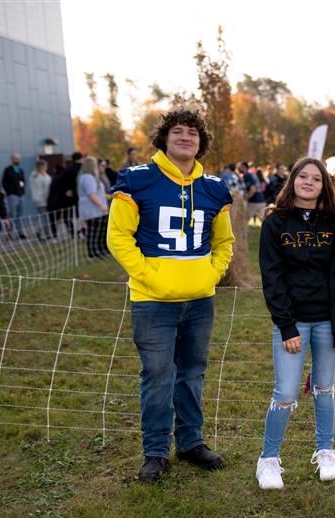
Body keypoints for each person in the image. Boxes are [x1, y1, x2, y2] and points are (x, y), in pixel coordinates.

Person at [107, 107, 234, 483]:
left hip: (199, 299)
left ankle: (191, 442)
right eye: (177, 131)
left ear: (201, 142)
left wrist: (210, 274)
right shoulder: (137, 180)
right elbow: (118, 237)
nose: (185, 137)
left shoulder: (214, 188)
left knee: (192, 374)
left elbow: (224, 241)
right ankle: (156, 451)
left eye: (193, 133)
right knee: (158, 375)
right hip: (152, 301)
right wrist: (150, 276)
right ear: (164, 138)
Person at [255, 157, 335, 490]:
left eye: (316, 178)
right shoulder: (275, 222)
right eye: (303, 176)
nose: (309, 182)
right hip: (294, 321)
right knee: (285, 392)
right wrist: (286, 326)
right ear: (293, 180)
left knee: (324, 389)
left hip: (327, 320)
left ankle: (326, 451)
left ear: (325, 184)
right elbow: (272, 277)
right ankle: (268, 460)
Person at [77, 156, 109, 259]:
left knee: (99, 232)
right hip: (93, 210)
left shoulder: (90, 176)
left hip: (97, 210)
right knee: (94, 233)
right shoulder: (88, 178)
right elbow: (92, 194)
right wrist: (101, 205)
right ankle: (93, 253)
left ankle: (100, 251)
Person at [49, 152, 81, 239]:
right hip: (82, 196)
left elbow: (61, 182)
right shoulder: (84, 169)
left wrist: (67, 191)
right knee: (79, 214)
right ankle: (80, 231)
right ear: (81, 158)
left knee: (68, 216)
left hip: (69, 197)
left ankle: (73, 233)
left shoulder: (68, 170)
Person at [2, 153, 26, 238]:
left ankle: (20, 233)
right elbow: (4, 182)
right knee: (11, 214)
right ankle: (9, 233)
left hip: (21, 195)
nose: (17, 160)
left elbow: (23, 181)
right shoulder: (7, 170)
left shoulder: (20, 170)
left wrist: (23, 191)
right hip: (12, 195)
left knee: (20, 214)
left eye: (18, 159)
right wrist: (9, 192)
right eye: (15, 159)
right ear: (12, 159)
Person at [30, 160, 52, 240]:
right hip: (43, 199)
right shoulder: (44, 177)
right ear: (43, 166)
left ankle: (41, 231)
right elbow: (47, 190)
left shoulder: (33, 175)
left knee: (41, 216)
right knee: (44, 217)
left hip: (36, 198)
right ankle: (44, 233)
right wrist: (48, 199)